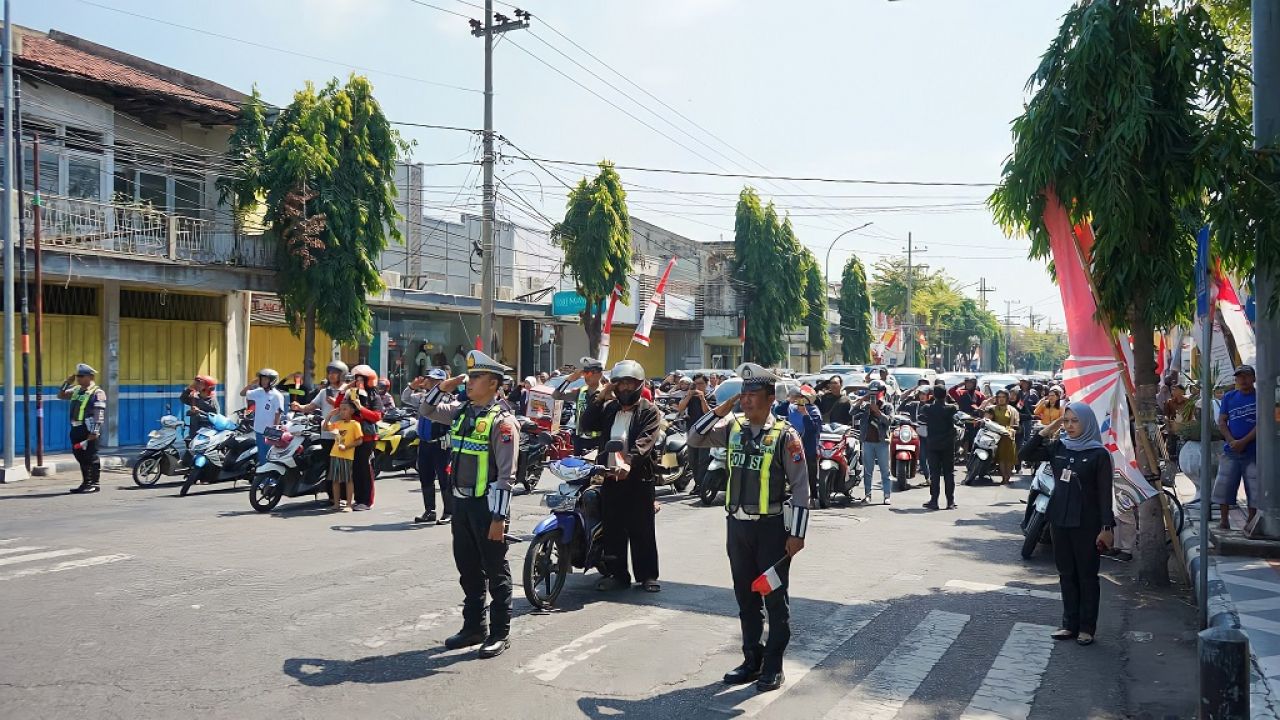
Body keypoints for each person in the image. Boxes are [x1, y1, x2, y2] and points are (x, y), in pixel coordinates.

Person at [688, 363, 810, 693]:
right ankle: (751, 660)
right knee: (745, 599)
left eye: (752, 395)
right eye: (743, 395)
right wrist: (721, 407)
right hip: (737, 528)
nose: (746, 401)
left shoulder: (786, 435)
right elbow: (694, 437)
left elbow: (800, 487)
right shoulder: (733, 427)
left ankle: (773, 667)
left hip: (771, 530)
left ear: (771, 398)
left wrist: (797, 534)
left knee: (774, 601)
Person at [418, 350, 520, 659]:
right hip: (461, 506)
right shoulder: (461, 411)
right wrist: (443, 386)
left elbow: (506, 476)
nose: (470, 381)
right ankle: (474, 628)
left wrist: (499, 519)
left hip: (487, 508)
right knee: (468, 570)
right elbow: (426, 410)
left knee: (496, 571)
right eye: (470, 376)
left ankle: (500, 633)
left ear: (493, 384)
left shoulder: (502, 423)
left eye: (476, 377)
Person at [1019, 403, 1115, 646]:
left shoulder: (1099, 454)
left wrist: (1107, 527)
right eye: (1067, 421)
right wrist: (1049, 428)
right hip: (1059, 520)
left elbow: (1105, 494)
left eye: (1075, 421)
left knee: (1087, 576)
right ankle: (1069, 624)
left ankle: (1086, 628)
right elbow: (1025, 455)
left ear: (1087, 423)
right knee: (1066, 575)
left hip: (1087, 524)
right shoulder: (1059, 446)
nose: (1070, 426)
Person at [581, 360, 664, 592]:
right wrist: (602, 395)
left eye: (630, 383)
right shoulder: (610, 409)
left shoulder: (649, 410)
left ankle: (647, 576)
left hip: (639, 478)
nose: (625, 388)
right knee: (613, 528)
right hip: (610, 476)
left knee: (642, 528)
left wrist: (628, 463)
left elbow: (645, 441)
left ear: (639, 384)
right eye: (620, 383)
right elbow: (586, 424)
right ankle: (618, 575)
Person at [403, 368, 454, 524]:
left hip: (442, 445)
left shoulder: (449, 400)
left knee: (444, 479)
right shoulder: (422, 398)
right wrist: (412, 386)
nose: (430, 383)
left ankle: (449, 512)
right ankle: (429, 511)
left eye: (434, 381)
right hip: (425, 444)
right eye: (429, 380)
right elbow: (405, 398)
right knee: (425, 477)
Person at [1212, 365, 1259, 530]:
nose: (1243, 380)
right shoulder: (1229, 397)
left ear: (1253, 378)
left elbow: (1262, 424)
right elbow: (1222, 421)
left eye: (1246, 376)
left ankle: (1252, 520)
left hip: (1253, 450)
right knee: (1224, 485)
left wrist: (1244, 441)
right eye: (1240, 377)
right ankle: (1224, 521)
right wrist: (1232, 440)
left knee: (1254, 486)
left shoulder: (1261, 397)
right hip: (1231, 450)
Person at [60, 363, 107, 494]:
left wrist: (95, 431)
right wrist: (66, 383)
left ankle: (94, 483)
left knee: (90, 456)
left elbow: (99, 413)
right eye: (77, 376)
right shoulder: (76, 390)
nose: (78, 378)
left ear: (90, 377)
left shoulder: (98, 392)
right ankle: (86, 482)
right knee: (79, 455)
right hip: (76, 428)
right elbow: (61, 395)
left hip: (89, 429)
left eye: (81, 376)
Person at [292, 360, 349, 459]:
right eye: (330, 372)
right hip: (326, 434)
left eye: (334, 373)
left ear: (342, 375)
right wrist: (299, 407)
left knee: (340, 465)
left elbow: (352, 411)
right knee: (327, 464)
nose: (331, 375)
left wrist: (335, 403)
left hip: (342, 434)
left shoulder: (348, 391)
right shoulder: (324, 392)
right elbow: (310, 407)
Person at [346, 365, 384, 510]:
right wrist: (345, 391)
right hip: (353, 437)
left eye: (361, 379)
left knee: (365, 469)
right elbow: (339, 407)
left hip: (367, 437)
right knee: (355, 469)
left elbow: (377, 416)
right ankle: (358, 499)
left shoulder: (374, 397)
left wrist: (360, 408)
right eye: (356, 379)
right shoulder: (352, 394)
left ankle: (367, 501)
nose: (358, 382)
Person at [553, 357, 607, 456]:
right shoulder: (580, 391)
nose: (587, 376)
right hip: (580, 441)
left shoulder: (606, 393)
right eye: (584, 373)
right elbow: (556, 395)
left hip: (599, 441)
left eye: (590, 373)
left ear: (600, 374)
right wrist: (568, 380)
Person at [920, 383, 959, 510]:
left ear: (933, 395)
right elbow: (956, 406)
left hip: (933, 444)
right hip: (948, 444)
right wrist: (947, 397)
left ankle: (934, 500)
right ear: (945, 395)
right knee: (949, 473)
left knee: (935, 473)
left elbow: (923, 411)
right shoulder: (951, 408)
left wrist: (932, 398)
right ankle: (950, 501)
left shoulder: (927, 408)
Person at [857, 379, 893, 504]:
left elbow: (889, 422)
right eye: (871, 393)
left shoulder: (887, 406)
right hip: (867, 442)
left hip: (882, 443)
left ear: (882, 392)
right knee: (867, 471)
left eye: (876, 393)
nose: (874, 395)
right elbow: (852, 412)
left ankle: (887, 495)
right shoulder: (866, 406)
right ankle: (867, 495)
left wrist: (877, 412)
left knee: (885, 471)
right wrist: (862, 400)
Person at [240, 369, 285, 465]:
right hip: (259, 430)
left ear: (272, 381)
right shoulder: (258, 392)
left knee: (270, 457)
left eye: (266, 379)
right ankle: (262, 477)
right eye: (262, 379)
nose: (263, 381)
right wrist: (251, 384)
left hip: (270, 431)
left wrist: (274, 431)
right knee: (262, 457)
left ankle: (270, 478)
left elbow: (278, 413)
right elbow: (242, 393)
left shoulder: (277, 395)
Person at [676, 373, 713, 489]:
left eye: (700, 383)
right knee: (692, 459)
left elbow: (709, 413)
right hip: (692, 431)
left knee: (703, 459)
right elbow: (680, 408)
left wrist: (702, 399)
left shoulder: (711, 396)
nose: (698, 386)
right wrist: (689, 395)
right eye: (695, 384)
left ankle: (702, 485)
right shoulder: (690, 396)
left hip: (705, 432)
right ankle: (698, 483)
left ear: (706, 384)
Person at [325, 401, 361, 511]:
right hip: (335, 454)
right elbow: (325, 428)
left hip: (347, 456)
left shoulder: (355, 424)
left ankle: (349, 504)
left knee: (348, 480)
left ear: (352, 411)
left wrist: (347, 447)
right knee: (335, 480)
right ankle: (336, 504)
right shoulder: (339, 423)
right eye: (340, 409)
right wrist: (329, 415)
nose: (342, 412)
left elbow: (359, 441)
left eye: (345, 409)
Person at [980, 390, 1019, 484]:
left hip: (1009, 435)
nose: (1001, 399)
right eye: (999, 397)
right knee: (1001, 458)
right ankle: (1004, 477)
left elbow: (1016, 423)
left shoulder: (1012, 410)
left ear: (1007, 398)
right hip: (997, 436)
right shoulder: (992, 408)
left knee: (1009, 458)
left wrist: (1012, 428)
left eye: (1003, 397)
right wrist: (986, 403)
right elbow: (985, 417)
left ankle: (1007, 477)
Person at [950, 376, 986, 452]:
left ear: (974, 384)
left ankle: (971, 454)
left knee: (973, 437)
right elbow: (951, 391)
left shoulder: (979, 395)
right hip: (962, 419)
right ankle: (963, 454)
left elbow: (983, 406)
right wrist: (960, 384)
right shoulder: (961, 392)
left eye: (971, 383)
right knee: (961, 437)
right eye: (967, 382)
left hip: (974, 420)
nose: (969, 384)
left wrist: (979, 410)